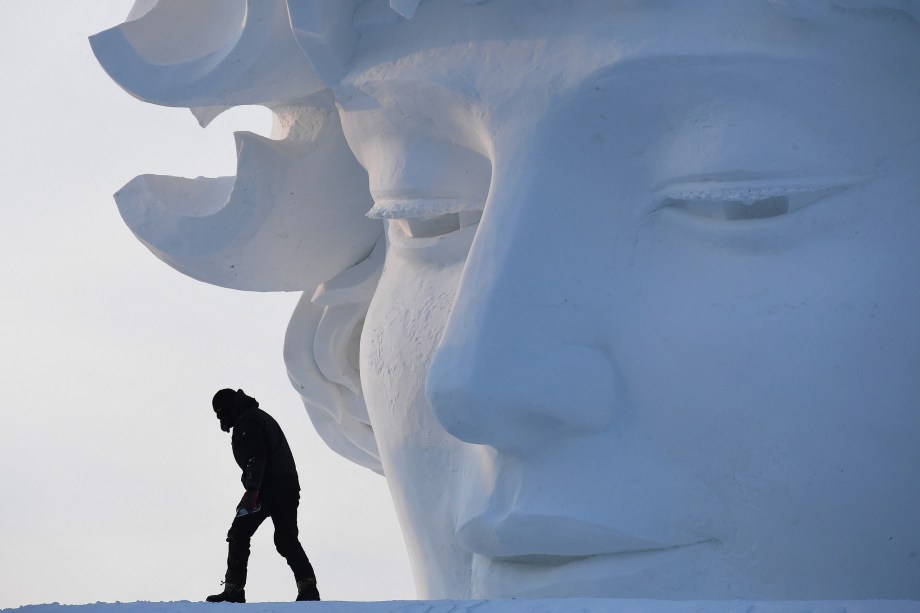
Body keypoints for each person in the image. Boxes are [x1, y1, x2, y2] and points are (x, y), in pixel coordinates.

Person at [94, 0, 920, 601]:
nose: (476, 382)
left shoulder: (254, 430)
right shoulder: (256, 424)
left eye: (740, 193)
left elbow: (270, 472)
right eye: (427, 212)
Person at [206, 388, 320, 603]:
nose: (219, 418)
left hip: (267, 489)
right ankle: (308, 587)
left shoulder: (247, 421)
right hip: (286, 487)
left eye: (220, 412)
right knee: (286, 539)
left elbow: (257, 457)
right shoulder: (255, 416)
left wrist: (252, 490)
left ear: (229, 407)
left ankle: (234, 590)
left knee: (239, 533)